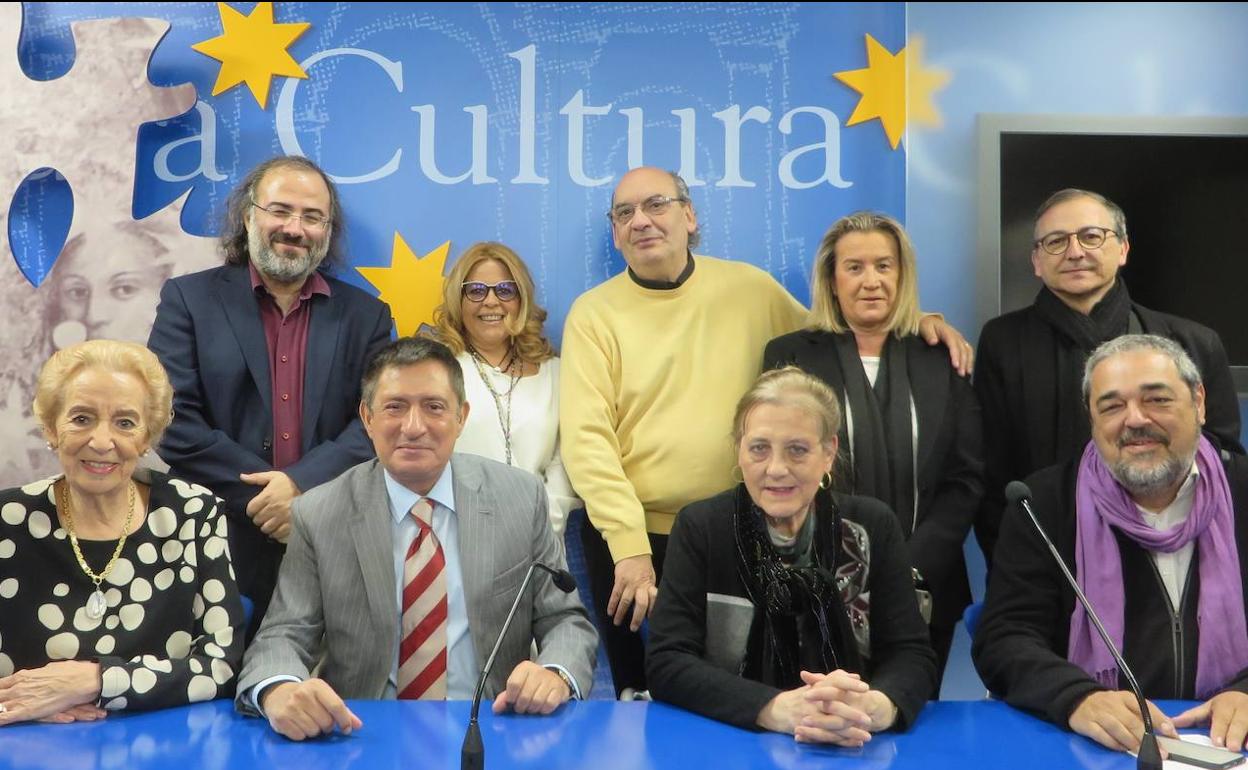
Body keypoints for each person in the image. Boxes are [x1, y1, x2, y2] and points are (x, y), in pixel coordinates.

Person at [560, 166, 973, 696]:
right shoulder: (593, 314)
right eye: (624, 212)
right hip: (634, 540)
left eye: (656, 205)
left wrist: (917, 323)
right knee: (641, 691)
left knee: (733, 685)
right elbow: (587, 441)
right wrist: (628, 546)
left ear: (689, 215)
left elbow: (834, 333)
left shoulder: (749, 287)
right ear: (615, 232)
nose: (641, 221)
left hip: (734, 532)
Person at [235, 337, 597, 741]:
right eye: (395, 407)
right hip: (362, 732)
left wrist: (555, 673)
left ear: (461, 417)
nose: (413, 426)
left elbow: (566, 620)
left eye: (434, 407)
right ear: (367, 418)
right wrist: (279, 689)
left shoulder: (519, 497)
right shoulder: (320, 513)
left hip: (494, 727)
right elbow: (283, 634)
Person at [147, 156, 393, 636]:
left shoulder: (368, 317)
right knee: (211, 697)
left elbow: (377, 422)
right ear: (248, 216)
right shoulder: (188, 300)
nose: (294, 228)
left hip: (329, 539)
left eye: (312, 216)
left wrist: (300, 488)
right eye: (280, 210)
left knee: (326, 699)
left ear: (328, 228)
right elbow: (169, 419)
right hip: (213, 538)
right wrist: (267, 497)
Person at [973, 335, 1248, 755]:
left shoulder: (1243, 489)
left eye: (1156, 400)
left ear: (1199, 402)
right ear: (1092, 419)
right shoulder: (1042, 503)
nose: (1134, 420)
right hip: (1089, 746)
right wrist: (1078, 699)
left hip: (1228, 741)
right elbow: (1005, 638)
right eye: (1112, 406)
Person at [647, 367, 937, 744]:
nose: (776, 469)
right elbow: (667, 662)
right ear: (739, 449)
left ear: (829, 453)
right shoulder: (701, 526)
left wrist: (874, 707)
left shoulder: (873, 525)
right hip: (732, 743)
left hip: (856, 740)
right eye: (759, 448)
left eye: (797, 449)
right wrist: (777, 708)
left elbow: (911, 654)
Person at [764, 212, 983, 677]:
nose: (871, 281)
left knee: (908, 720)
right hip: (815, 583)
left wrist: (912, 566)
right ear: (832, 278)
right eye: (855, 267)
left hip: (927, 586)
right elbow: (778, 468)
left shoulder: (943, 356)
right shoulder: (791, 355)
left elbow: (965, 478)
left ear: (902, 275)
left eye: (884, 266)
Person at [974, 188, 1241, 566]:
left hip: (1172, 553)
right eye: (1055, 242)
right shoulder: (1002, 343)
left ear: (1123, 248)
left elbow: (1221, 464)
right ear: (1036, 260)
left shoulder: (1193, 342)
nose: (1075, 252)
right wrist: (1012, 561)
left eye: (1091, 236)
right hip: (1046, 556)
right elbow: (991, 473)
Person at [0, 340, 243, 725]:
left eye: (125, 423)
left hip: (163, 751)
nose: (101, 441)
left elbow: (222, 666)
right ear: (50, 427)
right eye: (81, 418)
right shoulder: (6, 520)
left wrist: (94, 681)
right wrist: (29, 705)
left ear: (147, 438)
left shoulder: (193, 514)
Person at [432, 242, 579, 536]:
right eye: (476, 290)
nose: (490, 301)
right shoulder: (436, 368)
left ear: (521, 299)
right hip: (456, 537)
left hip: (539, 540)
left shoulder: (556, 372)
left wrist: (542, 525)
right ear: (457, 300)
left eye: (505, 290)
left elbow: (564, 462)